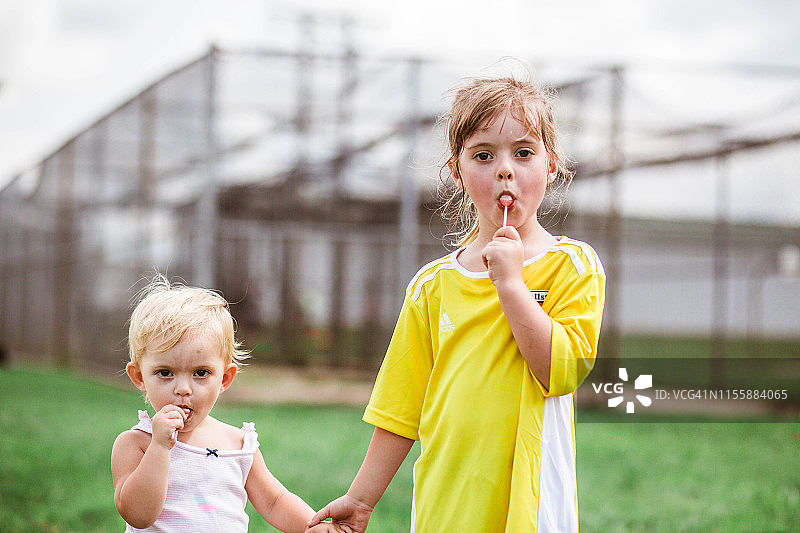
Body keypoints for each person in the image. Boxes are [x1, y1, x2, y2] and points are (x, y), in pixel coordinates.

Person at [307, 74, 606, 532]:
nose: (505, 169)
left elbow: (560, 371)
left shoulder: (573, 265)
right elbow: (399, 409)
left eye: (524, 152)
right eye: (483, 155)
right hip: (445, 507)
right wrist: (361, 499)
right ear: (457, 173)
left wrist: (510, 284)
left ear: (552, 167)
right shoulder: (432, 286)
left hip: (530, 507)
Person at [111, 273, 341, 533]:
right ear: (140, 377)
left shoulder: (238, 444)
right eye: (165, 373)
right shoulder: (136, 443)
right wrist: (160, 447)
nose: (183, 389)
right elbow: (138, 515)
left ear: (224, 378)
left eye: (201, 373)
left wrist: (313, 526)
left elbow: (275, 502)